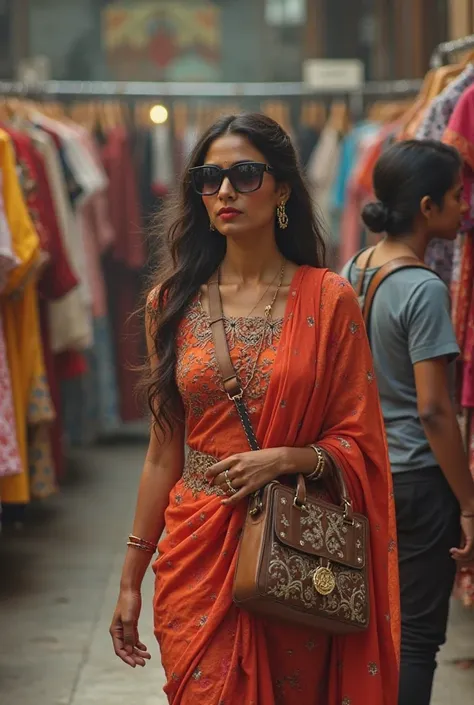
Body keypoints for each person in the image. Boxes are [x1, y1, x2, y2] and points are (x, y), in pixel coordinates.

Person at [110, 112, 400, 705]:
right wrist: (130, 580)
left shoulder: (328, 297)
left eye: (244, 175)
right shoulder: (170, 302)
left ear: (283, 188)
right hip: (196, 555)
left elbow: (363, 441)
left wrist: (287, 458)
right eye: (209, 177)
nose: (224, 191)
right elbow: (163, 452)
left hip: (291, 554)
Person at [341, 139, 474, 705]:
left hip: (361, 473)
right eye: (455, 196)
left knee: (372, 632)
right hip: (418, 480)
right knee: (417, 639)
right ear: (425, 208)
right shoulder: (423, 288)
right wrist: (469, 501)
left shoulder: (351, 272)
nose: (463, 208)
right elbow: (434, 409)